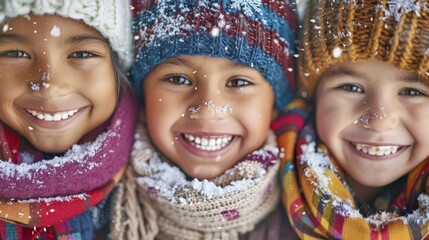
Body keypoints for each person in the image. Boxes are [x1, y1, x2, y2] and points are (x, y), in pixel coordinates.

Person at [110, 0, 299, 239]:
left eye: (238, 82)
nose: (208, 110)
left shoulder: (302, 226)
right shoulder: (104, 214)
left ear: (274, 105)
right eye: (179, 79)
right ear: (144, 97)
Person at [273, 0, 429, 239]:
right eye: (351, 87)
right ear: (315, 95)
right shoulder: (263, 207)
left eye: (412, 92)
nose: (379, 120)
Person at [0, 1, 137, 239]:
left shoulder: (146, 180)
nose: (49, 85)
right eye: (16, 53)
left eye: (82, 54)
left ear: (116, 73)